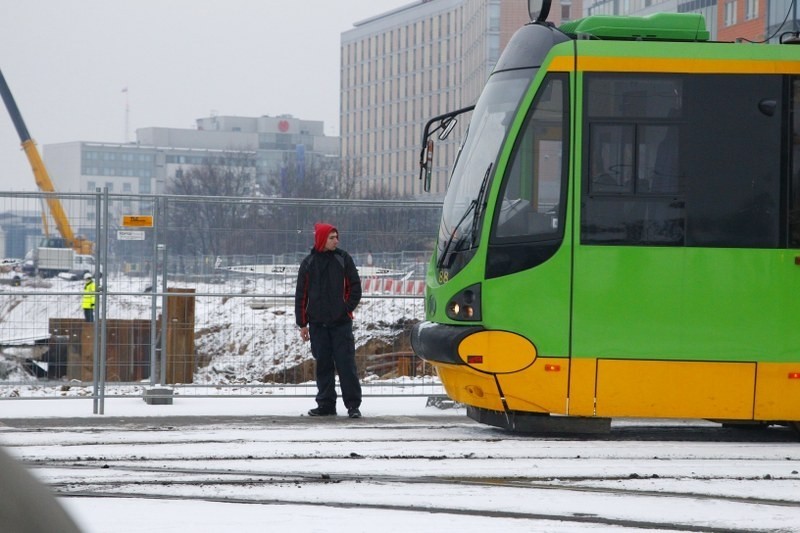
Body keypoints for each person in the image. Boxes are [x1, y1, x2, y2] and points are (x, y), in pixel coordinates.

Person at [295, 222, 363, 418]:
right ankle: (326, 404)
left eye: (336, 237)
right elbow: (301, 295)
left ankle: (353, 406)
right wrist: (302, 323)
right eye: (332, 237)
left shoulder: (343, 259)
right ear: (322, 239)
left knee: (346, 365)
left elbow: (355, 288)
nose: (336, 241)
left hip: (341, 324)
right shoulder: (308, 264)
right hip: (318, 325)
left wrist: (346, 309)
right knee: (323, 365)